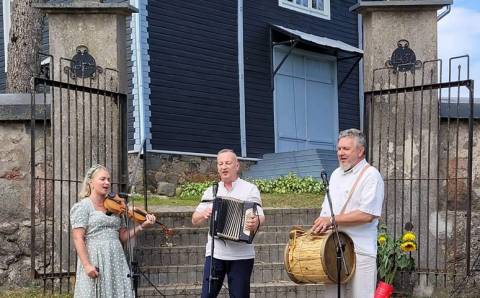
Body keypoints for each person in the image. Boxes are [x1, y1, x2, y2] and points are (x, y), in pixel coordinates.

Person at [311, 129, 384, 298]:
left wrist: (331, 220)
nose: (340, 153)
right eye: (339, 149)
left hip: (361, 250)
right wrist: (321, 224)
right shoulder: (336, 174)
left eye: (346, 149)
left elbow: (367, 215)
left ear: (360, 151)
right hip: (332, 247)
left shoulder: (371, 175)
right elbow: (327, 211)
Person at [70, 164, 156, 298]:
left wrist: (141, 226)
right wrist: (87, 265)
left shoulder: (115, 207)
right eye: (102, 179)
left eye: (108, 179)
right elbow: (78, 238)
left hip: (116, 258)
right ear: (91, 182)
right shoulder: (82, 207)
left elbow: (122, 236)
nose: (107, 183)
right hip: (95, 257)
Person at [192, 149, 266, 298]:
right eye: (220, 164)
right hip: (215, 254)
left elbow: (260, 216)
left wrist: (255, 222)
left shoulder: (249, 189)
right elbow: (194, 219)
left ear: (237, 166)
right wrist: (203, 214)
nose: (223, 167)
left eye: (227, 163)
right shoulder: (211, 191)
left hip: (241, 255)